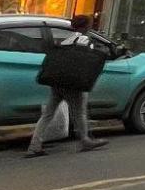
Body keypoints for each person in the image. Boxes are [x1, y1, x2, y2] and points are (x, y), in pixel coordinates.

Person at [26, 14, 112, 158]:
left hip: (57, 82)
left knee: (47, 114)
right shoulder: (85, 40)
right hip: (73, 83)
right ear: (86, 26)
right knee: (79, 113)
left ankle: (34, 145)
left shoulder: (66, 40)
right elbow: (87, 60)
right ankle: (85, 140)